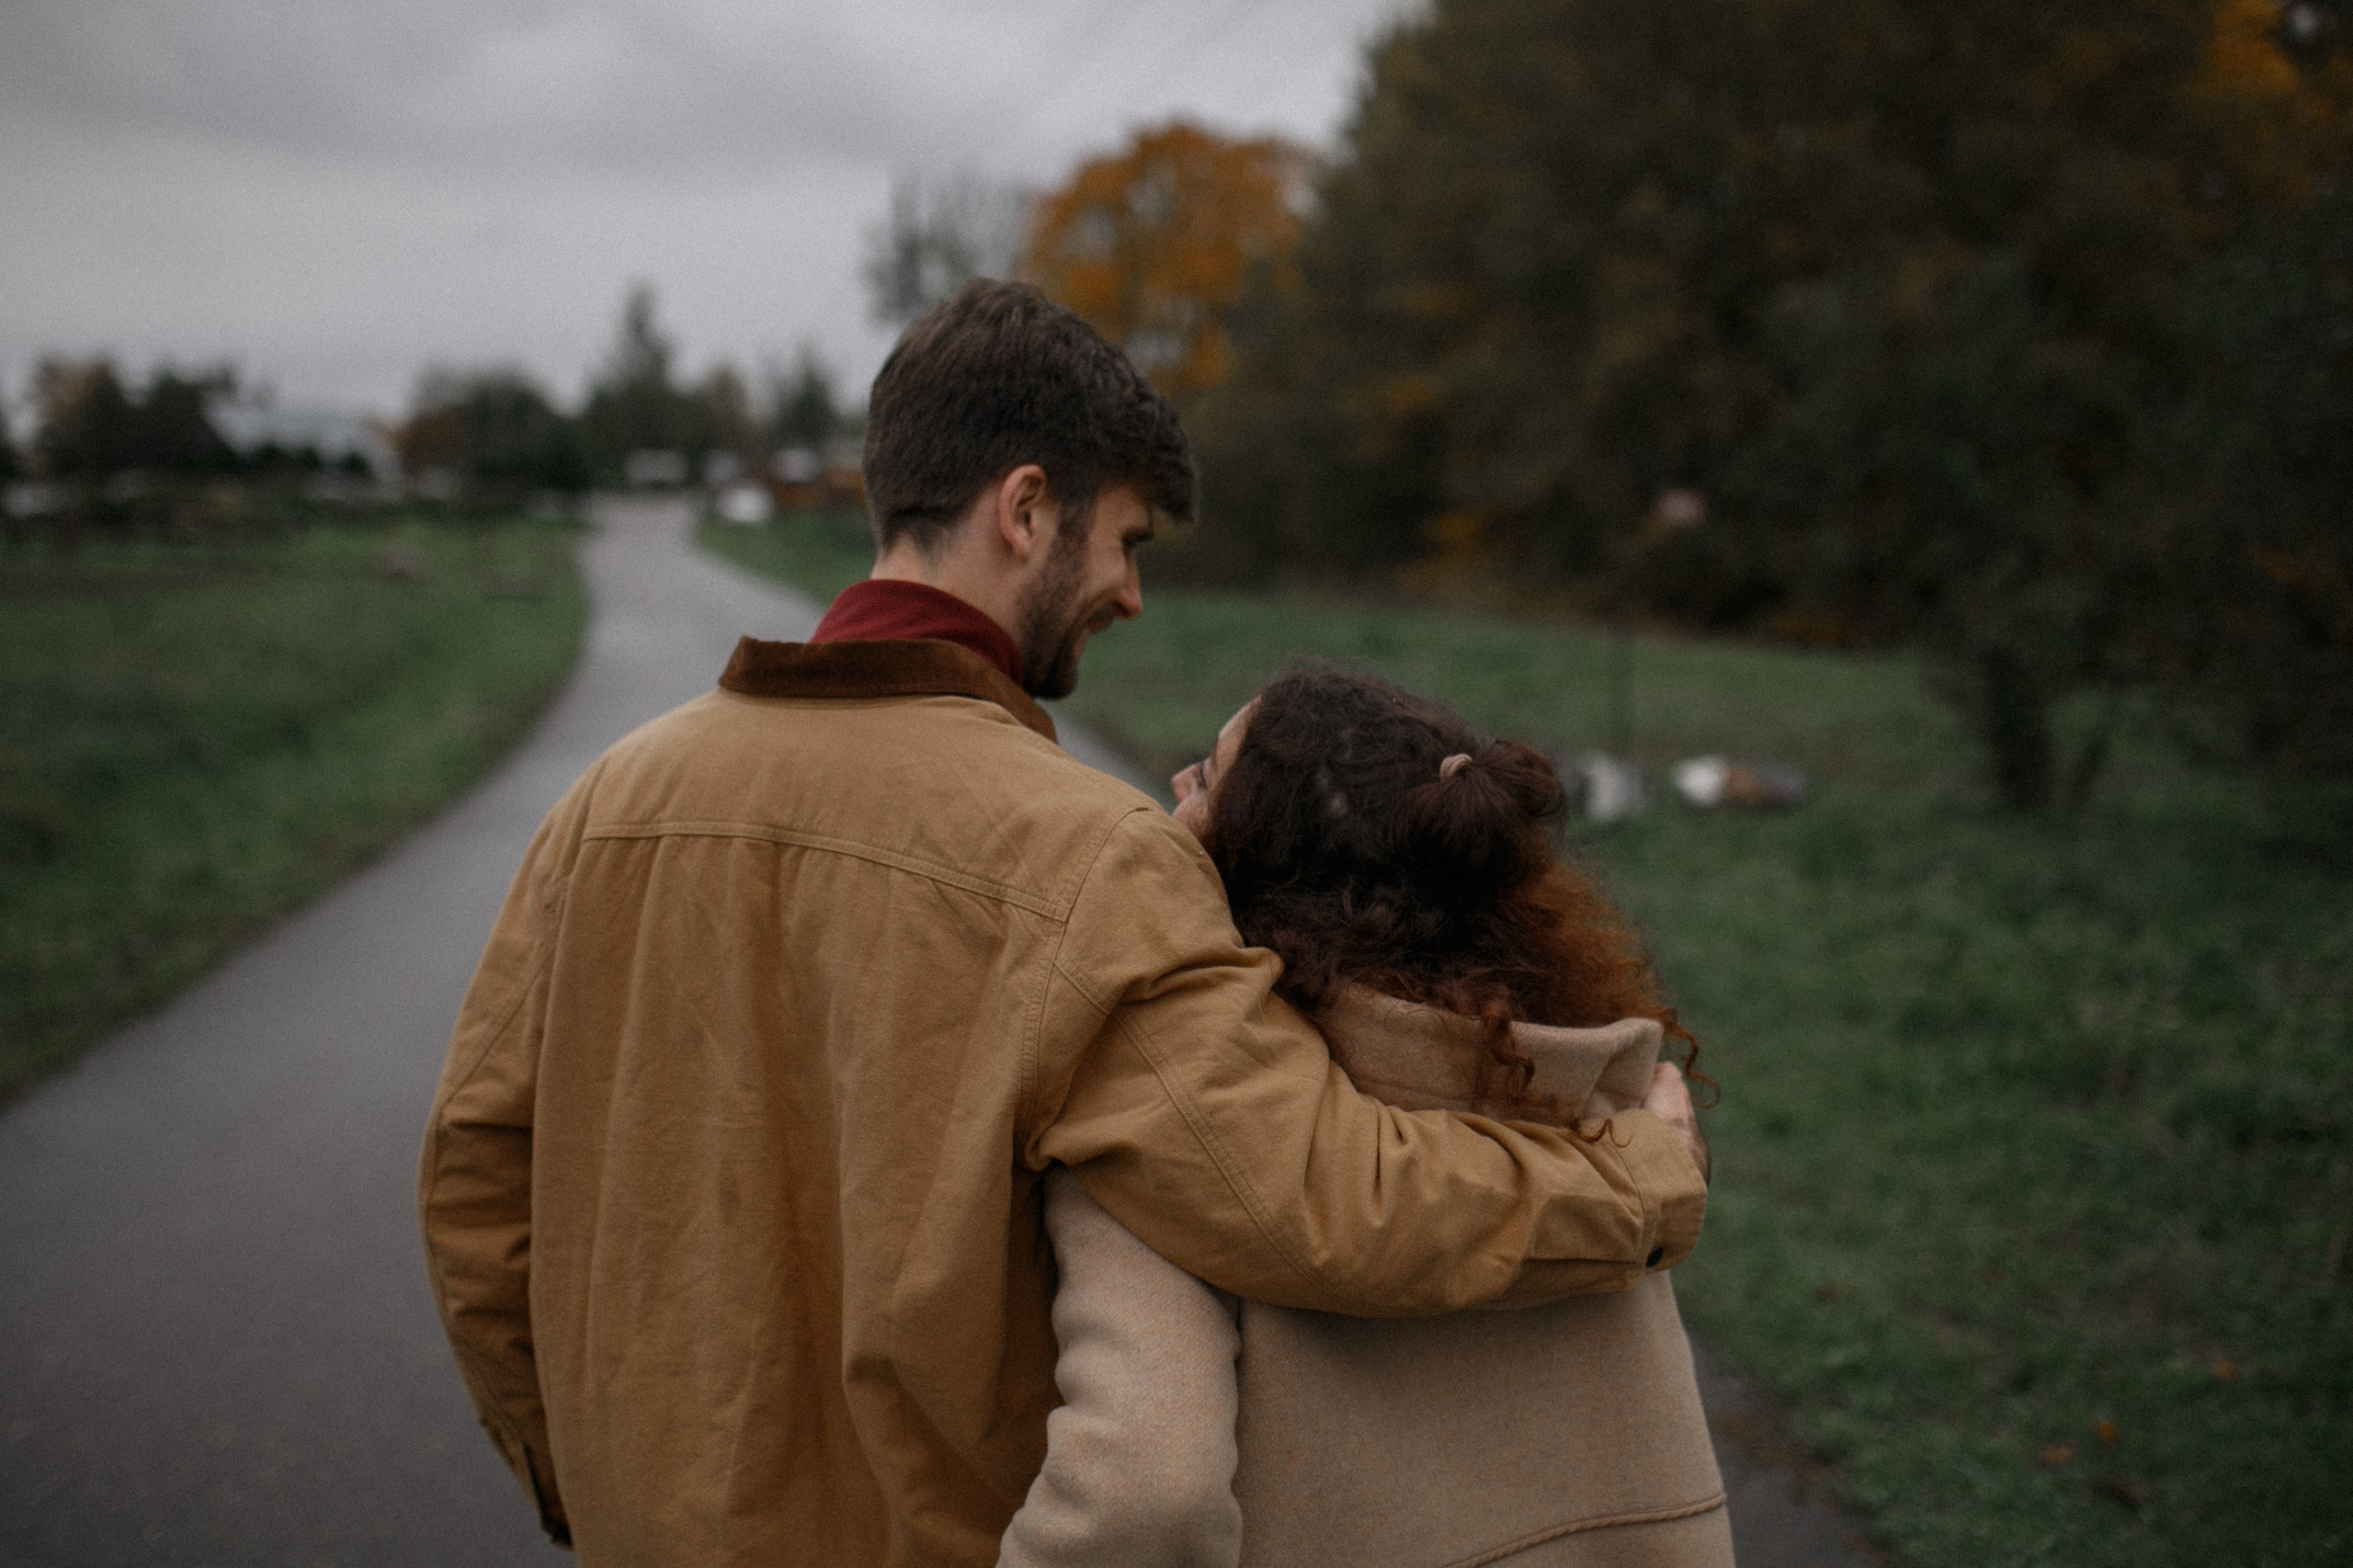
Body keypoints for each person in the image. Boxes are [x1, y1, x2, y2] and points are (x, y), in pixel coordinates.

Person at [417, 281, 1711, 1567]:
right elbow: (1314, 1189)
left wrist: (580, 1478)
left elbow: (476, 1188)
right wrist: (1633, 1179)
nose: (1130, 593)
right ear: (1027, 508)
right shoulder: (1086, 859)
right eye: (1126, 540)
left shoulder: (607, 804)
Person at [999, 668, 1731, 1568]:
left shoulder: (1181, 1121)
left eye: (1206, 774)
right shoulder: (1584, 1091)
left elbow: (1145, 1490)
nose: (1175, 785)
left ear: (1252, 856)